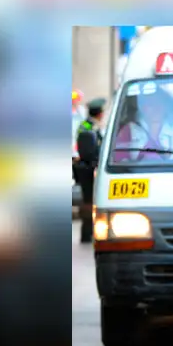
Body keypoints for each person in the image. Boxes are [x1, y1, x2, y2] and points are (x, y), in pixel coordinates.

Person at [114, 87, 173, 161]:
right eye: (151, 104)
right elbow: (119, 161)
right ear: (142, 107)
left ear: (166, 107)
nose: (156, 108)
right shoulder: (128, 131)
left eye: (160, 104)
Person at [74, 97, 106, 243]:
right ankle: (86, 233)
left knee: (91, 201)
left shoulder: (92, 125)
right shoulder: (87, 126)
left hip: (90, 167)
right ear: (99, 113)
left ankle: (90, 231)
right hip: (88, 168)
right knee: (88, 201)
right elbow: (89, 150)